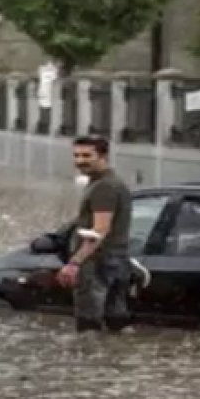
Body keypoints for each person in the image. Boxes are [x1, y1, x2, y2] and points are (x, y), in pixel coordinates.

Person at [55, 135, 134, 333]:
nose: (80, 161)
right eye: (76, 155)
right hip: (117, 259)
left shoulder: (104, 187)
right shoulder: (112, 183)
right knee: (117, 321)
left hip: (97, 261)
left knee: (88, 325)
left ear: (103, 156)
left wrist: (74, 263)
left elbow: (100, 230)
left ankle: (87, 362)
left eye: (87, 155)